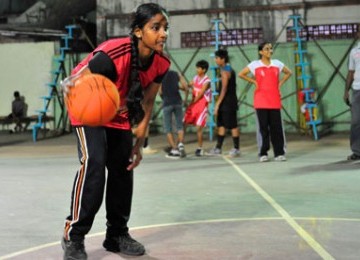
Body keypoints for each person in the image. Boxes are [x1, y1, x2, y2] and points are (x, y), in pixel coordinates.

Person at [60, 3, 170, 259]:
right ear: (139, 31)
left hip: (117, 112)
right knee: (94, 163)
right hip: (88, 106)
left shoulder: (161, 62)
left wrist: (139, 142)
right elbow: (78, 81)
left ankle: (116, 234)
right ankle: (73, 235)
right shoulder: (114, 53)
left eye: (165, 28)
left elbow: (149, 102)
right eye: (156, 27)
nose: (163, 33)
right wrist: (69, 83)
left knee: (123, 167)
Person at [238, 42, 292, 162]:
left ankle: (279, 153)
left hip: (274, 100)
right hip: (260, 100)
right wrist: (254, 82)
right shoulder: (255, 65)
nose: (269, 51)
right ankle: (263, 153)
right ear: (260, 52)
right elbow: (241, 74)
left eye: (271, 48)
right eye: (266, 49)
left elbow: (289, 72)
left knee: (277, 128)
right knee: (263, 128)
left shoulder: (277, 64)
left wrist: (280, 83)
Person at [207, 49, 241, 157]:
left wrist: (217, 105)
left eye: (217, 58)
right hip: (224, 103)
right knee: (221, 124)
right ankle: (218, 148)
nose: (215, 60)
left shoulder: (226, 71)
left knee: (233, 125)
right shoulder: (223, 69)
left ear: (223, 59)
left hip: (229, 103)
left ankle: (236, 149)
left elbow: (224, 89)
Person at [183, 60, 211, 156]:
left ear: (204, 70)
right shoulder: (195, 78)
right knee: (184, 123)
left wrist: (192, 102)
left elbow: (201, 93)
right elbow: (189, 84)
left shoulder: (207, 81)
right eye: (196, 67)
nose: (197, 69)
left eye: (198, 68)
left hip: (201, 106)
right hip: (193, 104)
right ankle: (180, 145)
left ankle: (200, 148)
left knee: (198, 128)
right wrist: (184, 85)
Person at [160, 69, 188, 158]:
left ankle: (175, 149)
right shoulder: (176, 74)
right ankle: (180, 144)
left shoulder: (160, 75)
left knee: (168, 128)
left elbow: (160, 91)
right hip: (178, 102)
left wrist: (164, 98)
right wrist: (185, 100)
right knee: (180, 126)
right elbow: (186, 87)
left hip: (167, 103)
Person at [344, 30, 360, 161]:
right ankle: (357, 151)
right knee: (356, 122)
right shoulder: (354, 51)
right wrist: (346, 91)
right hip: (357, 90)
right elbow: (351, 72)